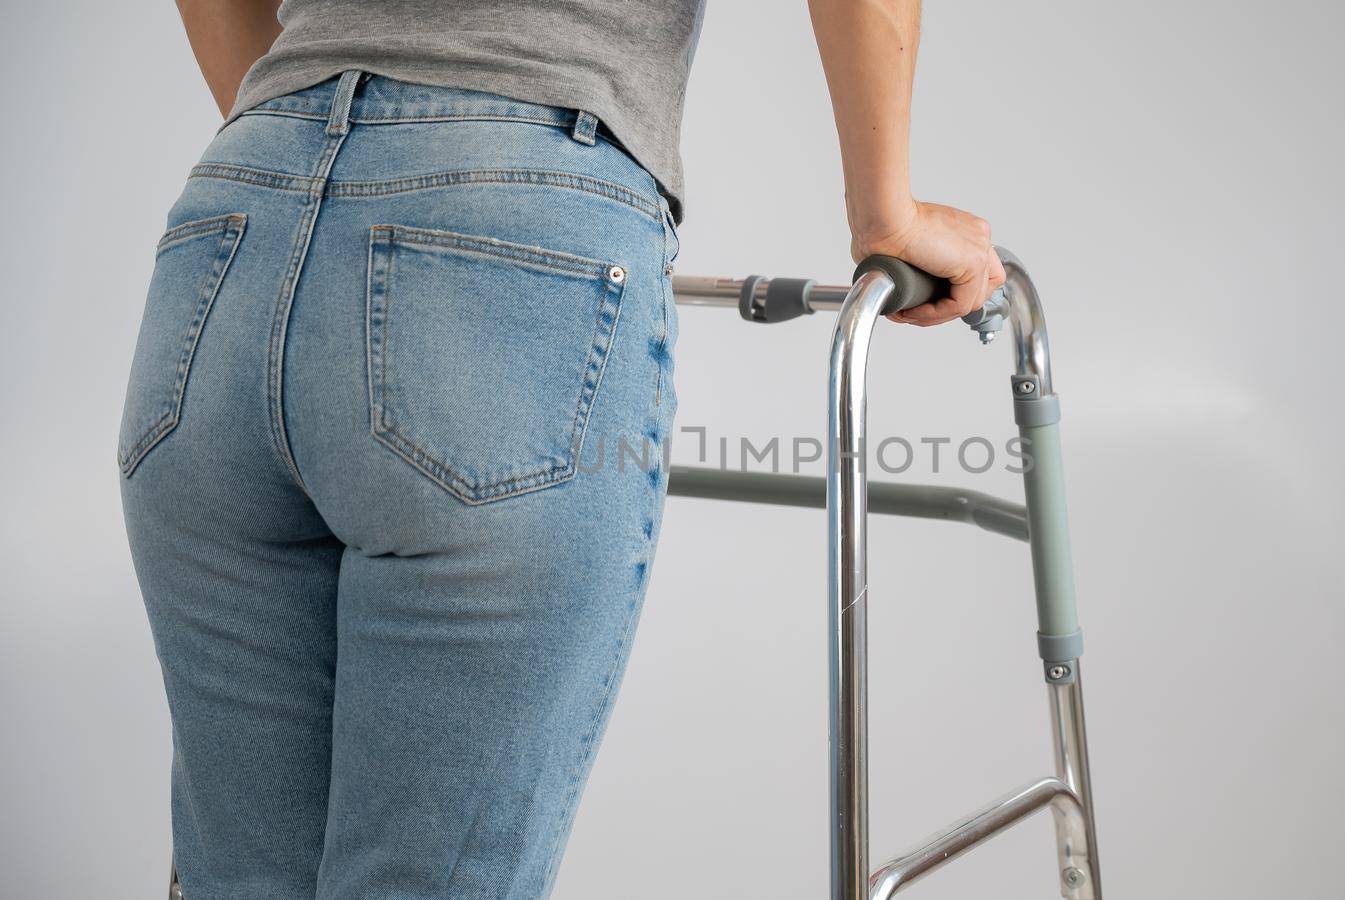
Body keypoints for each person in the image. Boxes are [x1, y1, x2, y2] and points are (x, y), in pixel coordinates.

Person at [120, 2, 1007, 897]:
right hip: (511, 214)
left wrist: (312, 150)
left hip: (232, 229)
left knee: (240, 878)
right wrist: (886, 218)